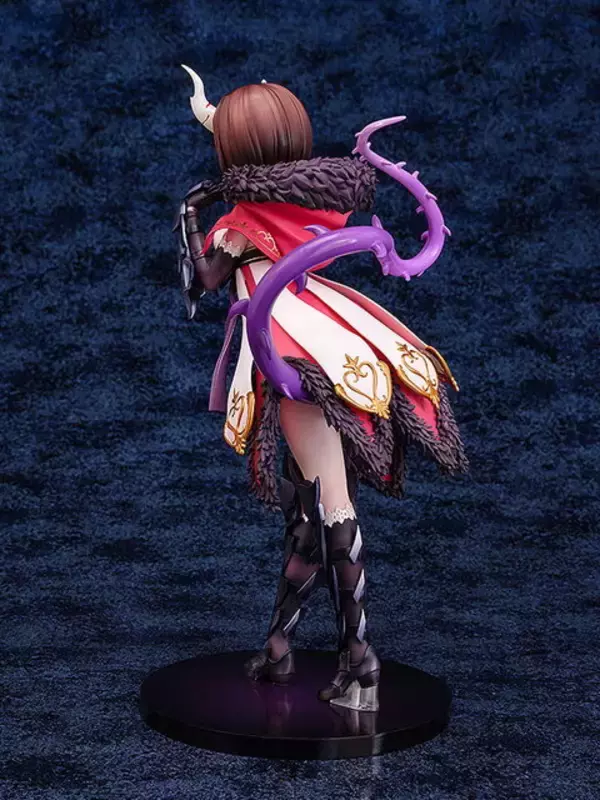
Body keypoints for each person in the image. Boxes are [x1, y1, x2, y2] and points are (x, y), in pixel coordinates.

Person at [175, 69, 468, 711]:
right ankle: (280, 646)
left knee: (331, 504)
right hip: (325, 329)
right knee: (307, 514)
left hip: (293, 354)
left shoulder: (240, 220)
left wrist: (191, 213)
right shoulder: (309, 197)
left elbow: (202, 284)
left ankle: (360, 662)